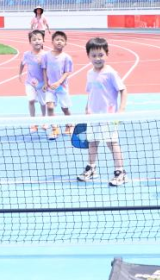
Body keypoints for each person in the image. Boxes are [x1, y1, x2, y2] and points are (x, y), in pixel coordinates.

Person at [77, 36, 127, 187]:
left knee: (112, 143)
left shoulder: (110, 73)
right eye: (94, 55)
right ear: (88, 56)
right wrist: (87, 107)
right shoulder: (89, 73)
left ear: (107, 54)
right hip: (93, 115)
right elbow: (91, 92)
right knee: (92, 142)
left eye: (101, 55)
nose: (97, 58)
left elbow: (123, 90)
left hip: (109, 116)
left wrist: (121, 110)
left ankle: (120, 172)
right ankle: (91, 169)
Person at [43, 30, 75, 139]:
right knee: (50, 106)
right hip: (50, 87)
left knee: (65, 108)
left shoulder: (66, 57)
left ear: (65, 43)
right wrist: (45, 83)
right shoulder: (46, 56)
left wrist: (58, 82)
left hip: (62, 87)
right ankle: (55, 128)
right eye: (57, 40)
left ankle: (70, 124)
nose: (59, 42)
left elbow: (67, 72)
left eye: (62, 40)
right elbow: (44, 69)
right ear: (52, 42)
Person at [18, 30, 48, 132]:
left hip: (42, 83)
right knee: (31, 100)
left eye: (39, 39)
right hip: (30, 82)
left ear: (43, 41)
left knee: (43, 103)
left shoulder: (46, 55)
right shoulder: (26, 54)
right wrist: (19, 74)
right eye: (34, 39)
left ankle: (44, 120)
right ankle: (33, 123)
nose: (37, 41)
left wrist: (46, 83)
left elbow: (48, 69)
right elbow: (22, 64)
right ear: (30, 42)